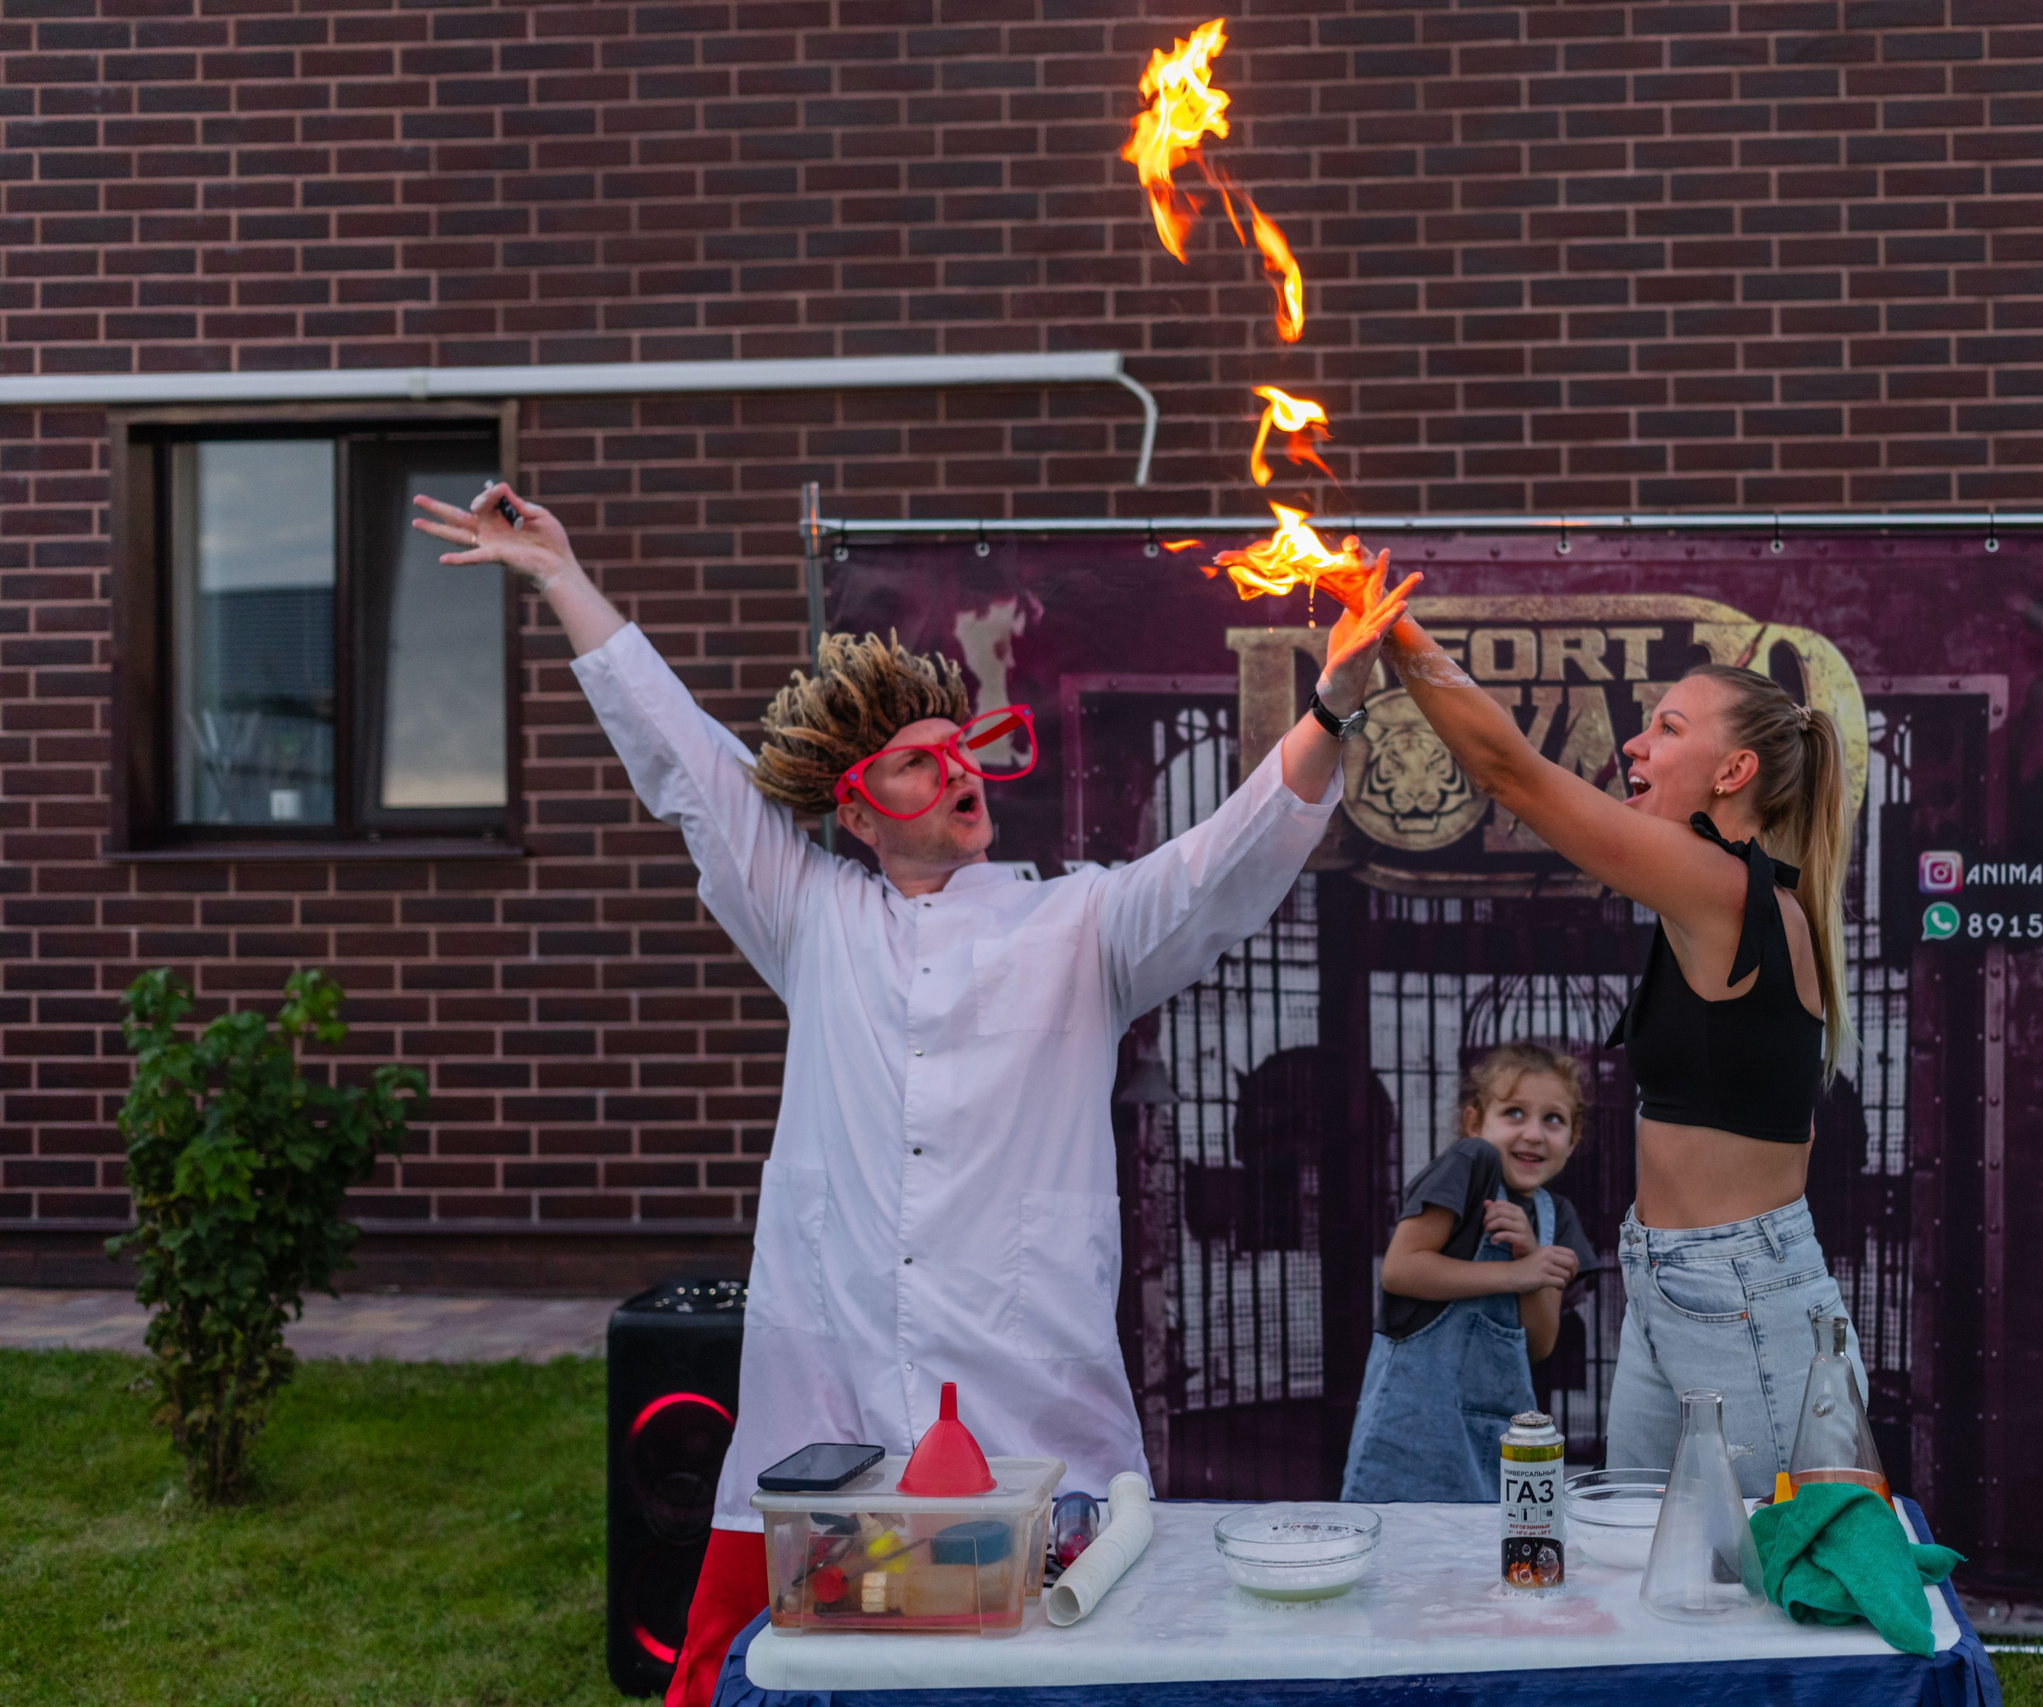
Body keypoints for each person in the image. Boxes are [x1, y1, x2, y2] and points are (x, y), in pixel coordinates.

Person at [413, 483, 1416, 1707]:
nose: (957, 776)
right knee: (801, 1673)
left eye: (960, 756)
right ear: (856, 810)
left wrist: (1328, 702)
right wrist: (565, 579)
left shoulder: (1078, 922)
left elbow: (1222, 864)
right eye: (916, 765)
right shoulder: (809, 915)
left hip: (1027, 1413)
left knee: (1051, 1673)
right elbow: (689, 770)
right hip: (826, 1413)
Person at [1379, 624, 1865, 1499]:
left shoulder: (1724, 888)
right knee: (1640, 1565)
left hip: (1741, 1293)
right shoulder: (1710, 896)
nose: (1634, 744)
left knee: (1762, 1582)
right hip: (1670, 1282)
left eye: (1670, 728)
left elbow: (1510, 774)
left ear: (1734, 773)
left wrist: (1397, 635)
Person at [1340, 1042, 1600, 1502]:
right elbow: (1401, 1270)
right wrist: (1519, 1273)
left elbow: (1539, 1345)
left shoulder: (1556, 1218)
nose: (1534, 1134)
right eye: (1514, 1113)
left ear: (1574, 1138)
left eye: (1553, 1119)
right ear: (1474, 1123)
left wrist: (1531, 1254)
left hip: (1494, 1443)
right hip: (1411, 1436)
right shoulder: (1470, 1164)